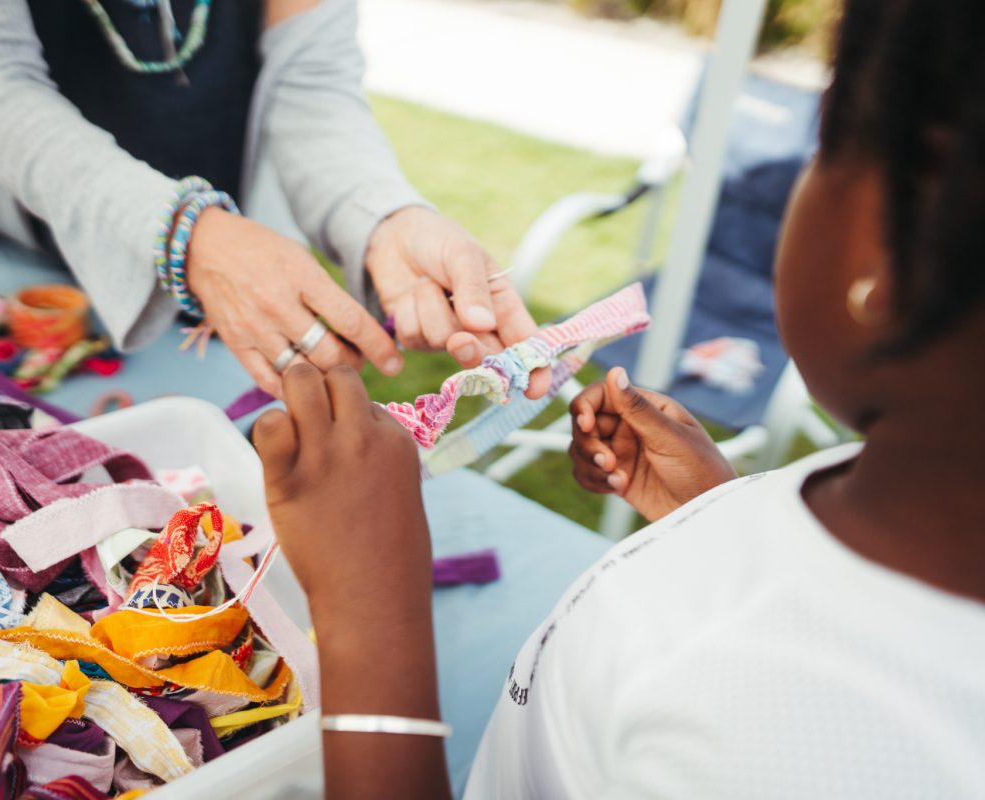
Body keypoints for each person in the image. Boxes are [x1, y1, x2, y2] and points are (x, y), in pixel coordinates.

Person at [252, 0, 985, 795]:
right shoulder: (900, 516)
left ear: (882, 238)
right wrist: (724, 518)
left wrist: (369, 615)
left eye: (826, 141)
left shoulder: (766, 729)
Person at [0, 0, 547, 397]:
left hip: (240, 266)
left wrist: (381, 216)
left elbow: (311, 80)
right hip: (26, 251)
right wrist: (183, 233)